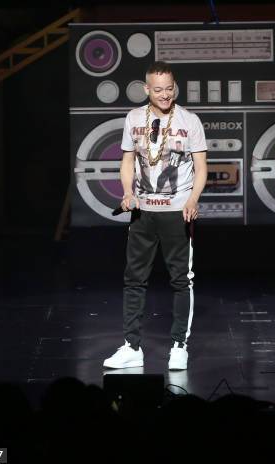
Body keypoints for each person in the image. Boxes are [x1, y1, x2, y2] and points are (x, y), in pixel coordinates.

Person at [104, 61, 208, 371]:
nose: (165, 95)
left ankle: (179, 346)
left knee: (180, 281)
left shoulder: (190, 120)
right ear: (147, 89)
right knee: (134, 279)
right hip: (142, 212)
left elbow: (201, 167)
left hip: (177, 212)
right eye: (158, 89)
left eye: (169, 88)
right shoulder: (134, 118)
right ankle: (132, 346)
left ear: (175, 87)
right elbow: (126, 161)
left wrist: (193, 199)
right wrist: (127, 192)